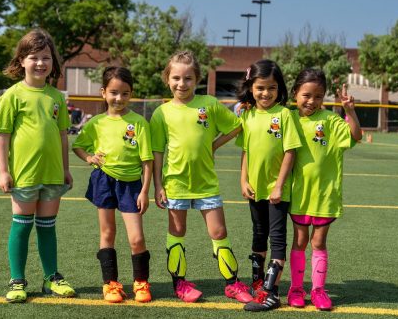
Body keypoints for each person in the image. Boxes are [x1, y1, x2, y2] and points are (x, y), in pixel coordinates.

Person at [150, 50, 252, 304]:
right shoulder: (161, 113)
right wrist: (158, 185)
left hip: (206, 184)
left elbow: (237, 126)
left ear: (197, 80)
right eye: (175, 78)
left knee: (219, 232)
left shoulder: (209, 104)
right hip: (176, 184)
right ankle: (180, 284)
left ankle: (232, 284)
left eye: (187, 78)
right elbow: (157, 152)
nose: (181, 84)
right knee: (177, 232)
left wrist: (214, 145)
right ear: (167, 79)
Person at [0, 28, 75, 303]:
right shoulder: (12, 95)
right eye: (34, 57)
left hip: (52, 174)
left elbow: (63, 135)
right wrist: (3, 171)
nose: (40, 63)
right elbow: (2, 135)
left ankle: (51, 277)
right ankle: (17, 280)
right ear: (21, 62)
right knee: (22, 225)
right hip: (24, 175)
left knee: (47, 226)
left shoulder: (57, 97)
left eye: (46, 57)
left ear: (53, 62)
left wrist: (65, 169)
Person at [72, 66, 153, 303]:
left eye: (125, 93)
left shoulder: (138, 123)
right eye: (114, 92)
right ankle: (111, 284)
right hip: (104, 180)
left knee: (136, 238)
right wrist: (89, 158)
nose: (119, 98)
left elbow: (147, 161)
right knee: (107, 232)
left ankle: (141, 282)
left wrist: (145, 191)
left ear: (131, 94)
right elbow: (78, 145)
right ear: (103, 93)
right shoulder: (96, 123)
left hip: (131, 185)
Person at [287, 68, 362, 311]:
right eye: (306, 95)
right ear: (295, 93)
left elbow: (356, 136)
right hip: (298, 193)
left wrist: (349, 111)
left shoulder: (330, 120)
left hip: (325, 195)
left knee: (318, 242)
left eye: (318, 96)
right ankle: (296, 289)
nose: (312, 101)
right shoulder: (288, 119)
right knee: (299, 240)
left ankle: (318, 290)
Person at [235, 60, 302, 312]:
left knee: (277, 239)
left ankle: (272, 293)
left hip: (277, 192)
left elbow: (290, 153)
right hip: (255, 189)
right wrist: (243, 180)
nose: (266, 93)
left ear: (279, 89)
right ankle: (258, 285)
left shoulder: (284, 115)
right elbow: (245, 151)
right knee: (258, 235)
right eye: (260, 88)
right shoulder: (248, 115)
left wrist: (278, 186)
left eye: (271, 88)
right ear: (251, 87)